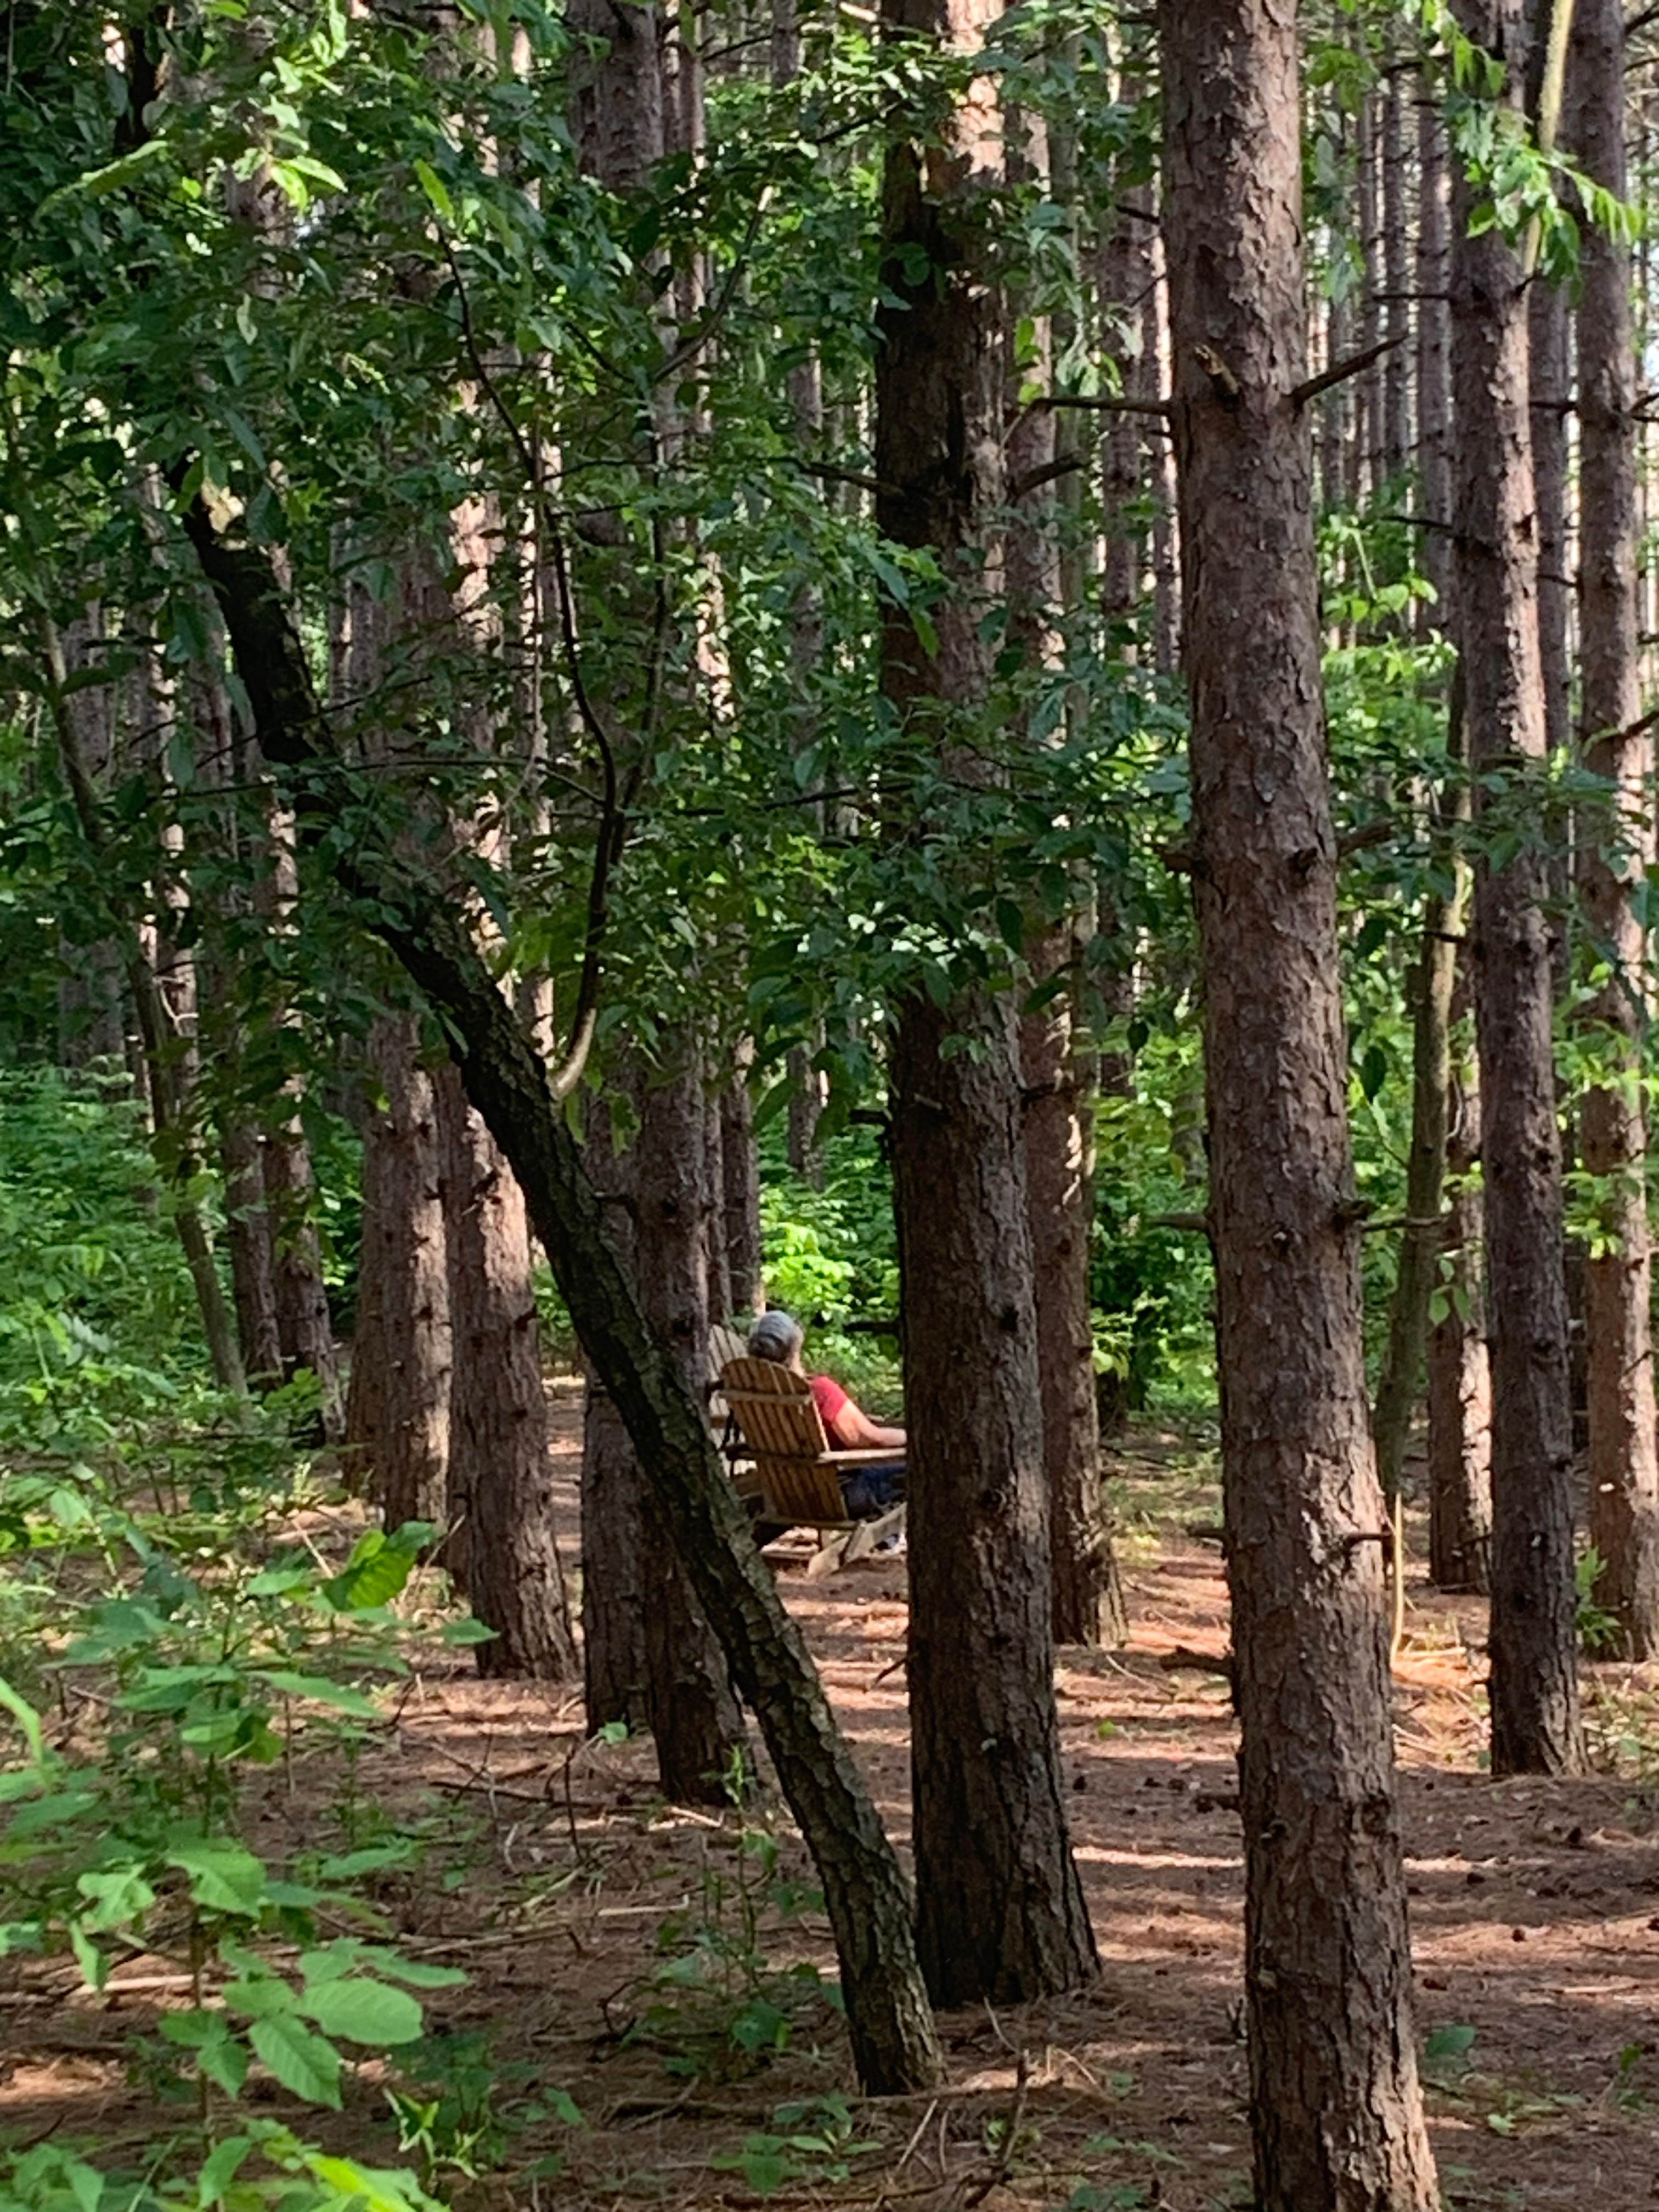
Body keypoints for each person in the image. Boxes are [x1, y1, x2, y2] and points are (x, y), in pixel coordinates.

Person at [747, 1308, 905, 1519]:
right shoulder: (820, 1392)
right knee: (917, 1464)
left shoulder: (751, 1395)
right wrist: (911, 1437)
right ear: (796, 1346)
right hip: (837, 1494)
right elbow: (867, 1439)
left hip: (782, 1495)